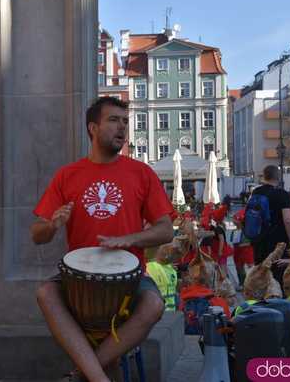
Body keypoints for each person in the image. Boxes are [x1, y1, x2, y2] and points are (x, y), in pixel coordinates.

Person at [31, 98, 174, 382]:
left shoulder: (141, 173)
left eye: (125, 121)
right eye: (113, 120)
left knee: (154, 305)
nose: (122, 127)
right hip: (78, 279)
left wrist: (128, 239)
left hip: (130, 277)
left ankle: (84, 375)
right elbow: (37, 235)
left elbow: (166, 230)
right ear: (93, 128)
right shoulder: (67, 175)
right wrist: (52, 224)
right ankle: (98, 376)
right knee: (45, 293)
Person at [248, 165, 290, 267]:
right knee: (277, 276)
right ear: (278, 177)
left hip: (259, 241)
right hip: (278, 243)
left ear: (264, 176)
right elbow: (287, 220)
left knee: (261, 274)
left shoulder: (256, 192)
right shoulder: (282, 194)